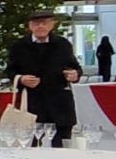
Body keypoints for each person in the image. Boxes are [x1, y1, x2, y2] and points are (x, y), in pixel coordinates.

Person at [5, 11, 83, 144]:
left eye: (45, 23)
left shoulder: (63, 44)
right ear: (29, 26)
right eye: (36, 23)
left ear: (52, 24)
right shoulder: (19, 46)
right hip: (32, 102)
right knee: (31, 144)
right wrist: (22, 79)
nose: (40, 26)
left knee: (63, 145)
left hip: (60, 102)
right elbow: (10, 70)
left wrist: (75, 74)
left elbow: (75, 67)